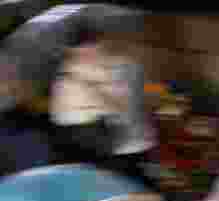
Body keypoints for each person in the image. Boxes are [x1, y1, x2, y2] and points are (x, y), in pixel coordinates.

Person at [49, 25, 157, 187]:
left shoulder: (121, 67)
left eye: (87, 51)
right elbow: (61, 115)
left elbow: (122, 106)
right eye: (77, 53)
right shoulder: (71, 71)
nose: (83, 57)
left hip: (123, 144)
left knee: (132, 186)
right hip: (100, 145)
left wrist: (91, 90)